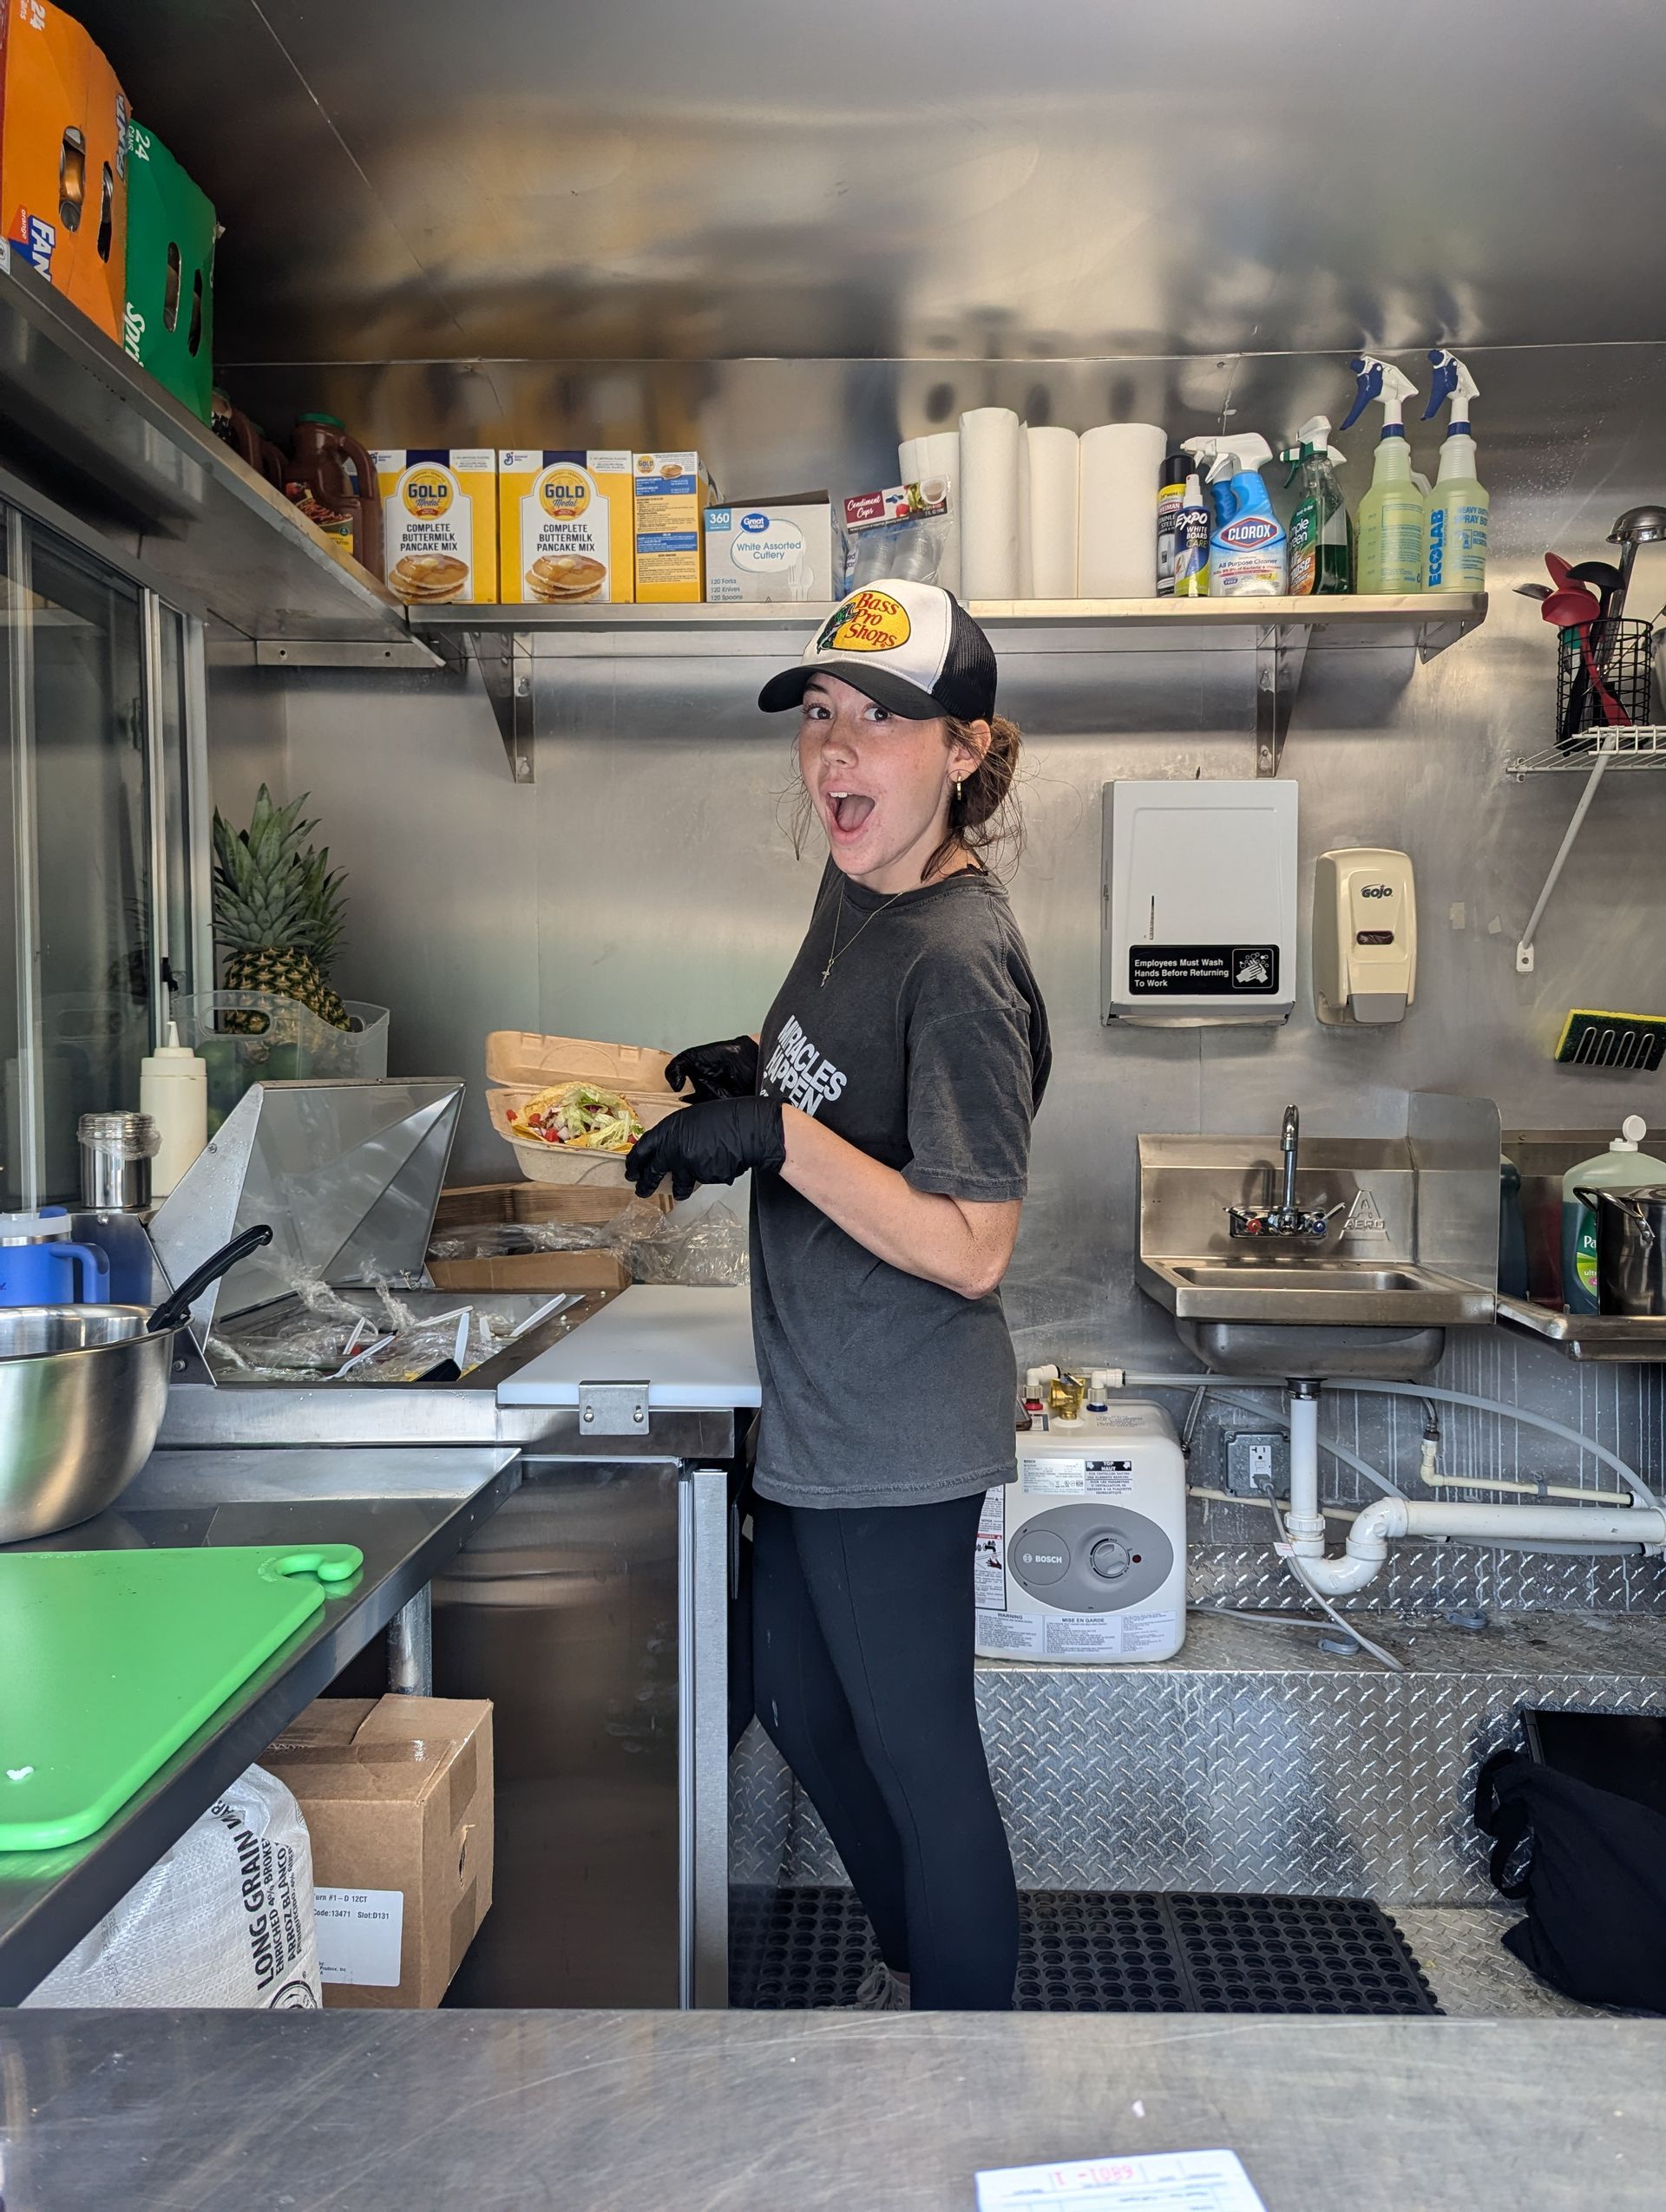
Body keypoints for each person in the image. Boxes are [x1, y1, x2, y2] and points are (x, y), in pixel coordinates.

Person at [626, 579, 1050, 2012]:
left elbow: (976, 1243)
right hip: (816, 1401)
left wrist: (777, 1137)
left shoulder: (960, 957)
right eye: (820, 714)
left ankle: (963, 2056)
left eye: (882, 719)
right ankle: (914, 1970)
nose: (836, 752)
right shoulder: (857, 888)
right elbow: (842, 1078)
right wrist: (754, 1074)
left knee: (923, 1762)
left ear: (965, 750)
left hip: (895, 1421)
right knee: (801, 1706)